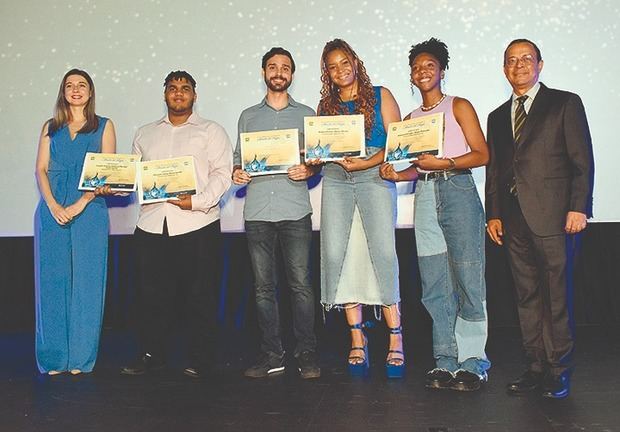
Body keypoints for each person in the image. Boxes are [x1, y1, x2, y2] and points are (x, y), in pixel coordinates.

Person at [380, 38, 491, 391]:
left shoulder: (459, 106)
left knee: (468, 278)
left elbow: (482, 154)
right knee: (434, 282)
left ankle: (473, 360)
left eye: (429, 65)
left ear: (442, 70)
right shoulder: (411, 120)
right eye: (416, 68)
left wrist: (446, 163)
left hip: (457, 188)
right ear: (411, 77)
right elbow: (419, 167)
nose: (422, 71)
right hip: (425, 194)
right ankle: (445, 359)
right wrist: (398, 174)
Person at [486, 39, 594, 399]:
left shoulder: (564, 103)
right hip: (514, 221)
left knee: (556, 298)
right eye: (511, 61)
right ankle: (535, 367)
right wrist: (494, 214)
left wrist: (579, 207)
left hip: (556, 217)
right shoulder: (498, 116)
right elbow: (496, 170)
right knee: (526, 297)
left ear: (540, 64)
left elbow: (582, 160)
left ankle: (558, 370)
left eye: (526, 59)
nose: (519, 66)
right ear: (504, 69)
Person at [120, 71, 233, 378]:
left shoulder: (211, 131)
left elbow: (223, 174)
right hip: (152, 224)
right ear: (165, 94)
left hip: (197, 222)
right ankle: (151, 354)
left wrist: (196, 201)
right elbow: (131, 178)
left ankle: (201, 358)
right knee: (151, 296)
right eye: (173, 88)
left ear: (195, 95)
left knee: (200, 296)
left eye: (185, 89)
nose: (179, 93)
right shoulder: (145, 133)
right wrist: (109, 182)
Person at [316, 39, 404, 378]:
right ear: (327, 72)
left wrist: (367, 161)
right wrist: (315, 155)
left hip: (374, 176)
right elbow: (321, 149)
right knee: (339, 254)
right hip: (337, 178)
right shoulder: (326, 105)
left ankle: (396, 337)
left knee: (382, 254)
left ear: (355, 60)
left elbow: (398, 143)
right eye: (332, 66)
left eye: (344, 62)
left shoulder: (382, 94)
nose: (340, 70)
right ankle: (357, 338)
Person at [232, 47, 320, 379]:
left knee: (300, 285)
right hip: (257, 212)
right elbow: (239, 159)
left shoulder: (308, 114)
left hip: (295, 209)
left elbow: (317, 160)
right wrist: (237, 172)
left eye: (285, 67)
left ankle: (307, 353)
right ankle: (272, 355)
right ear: (264, 72)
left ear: (292, 75)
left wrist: (309, 171)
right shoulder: (248, 116)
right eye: (273, 67)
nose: (278, 72)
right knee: (263, 288)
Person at [34, 69, 116, 375]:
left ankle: (81, 359)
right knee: (52, 283)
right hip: (52, 209)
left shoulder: (104, 126)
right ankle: (53, 358)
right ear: (63, 92)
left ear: (91, 92)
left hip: (90, 210)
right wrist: (53, 204)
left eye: (82, 85)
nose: (76, 89)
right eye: (69, 85)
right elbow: (41, 169)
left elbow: (108, 172)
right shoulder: (49, 127)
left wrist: (81, 202)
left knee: (87, 283)